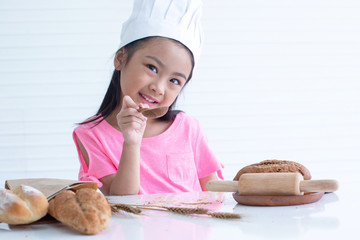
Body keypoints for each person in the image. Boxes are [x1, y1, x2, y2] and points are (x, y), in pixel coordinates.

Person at [72, 0, 223, 195]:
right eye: (152, 68)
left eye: (175, 81)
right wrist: (132, 143)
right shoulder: (90, 134)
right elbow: (121, 201)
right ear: (120, 58)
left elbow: (215, 192)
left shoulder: (188, 128)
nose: (158, 88)